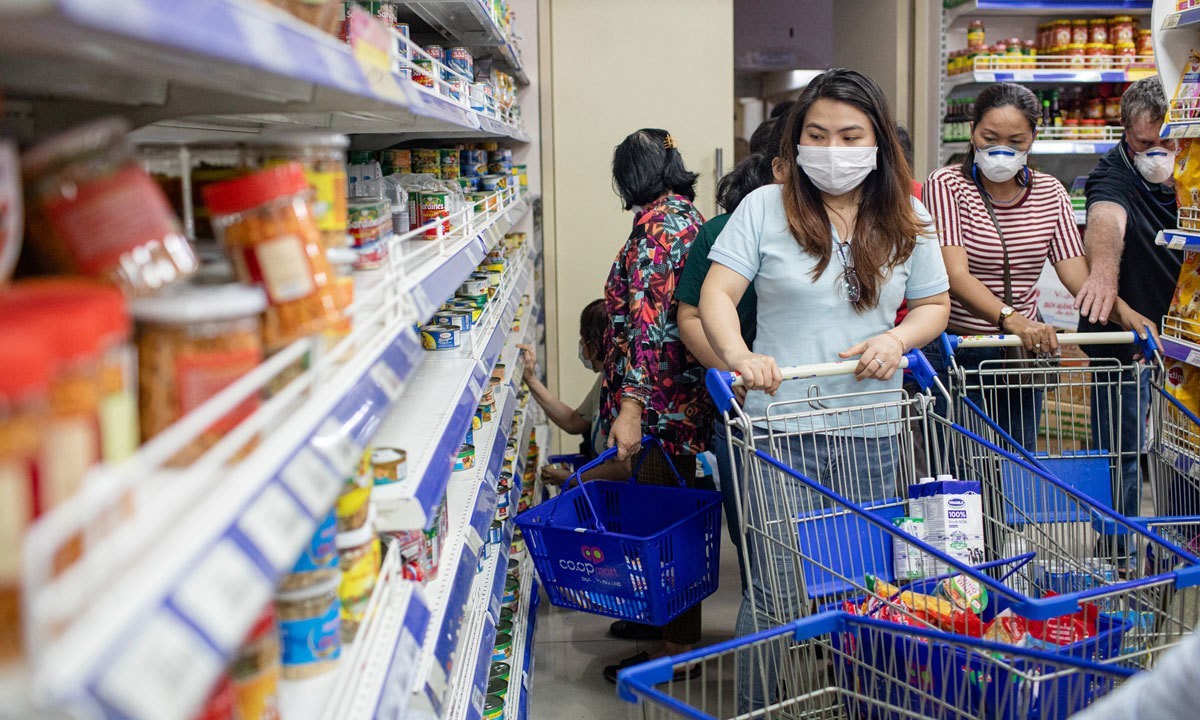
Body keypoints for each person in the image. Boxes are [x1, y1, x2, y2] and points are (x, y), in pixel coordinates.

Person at [699, 68, 951, 711]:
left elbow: (933, 305)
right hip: (779, 428)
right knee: (778, 590)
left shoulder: (908, 216)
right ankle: (757, 708)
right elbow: (718, 295)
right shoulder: (763, 208)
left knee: (861, 584)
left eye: (849, 135)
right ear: (796, 141)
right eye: (817, 135)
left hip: (870, 427)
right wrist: (739, 356)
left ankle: (856, 702)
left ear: (876, 143)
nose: (833, 150)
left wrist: (897, 341)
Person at [922, 82, 1154, 452]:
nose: (1002, 149)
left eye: (1016, 140)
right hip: (961, 347)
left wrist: (1128, 316)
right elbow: (955, 274)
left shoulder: (1050, 192)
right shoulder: (947, 185)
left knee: (1016, 464)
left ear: (1033, 137)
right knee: (963, 467)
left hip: (1021, 354)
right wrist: (1014, 320)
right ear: (971, 132)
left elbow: (1077, 275)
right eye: (989, 137)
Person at [600, 128, 711, 682]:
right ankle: (662, 625)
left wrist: (631, 407)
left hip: (663, 408)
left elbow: (649, 327)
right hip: (675, 400)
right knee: (661, 517)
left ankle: (676, 651)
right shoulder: (680, 216)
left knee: (668, 526)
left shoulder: (660, 229)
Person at [676, 124, 786, 597]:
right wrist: (729, 367)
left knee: (786, 543)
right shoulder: (723, 232)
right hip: (744, 407)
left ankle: (811, 634)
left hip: (815, 404)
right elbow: (692, 314)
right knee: (760, 536)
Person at [1074, 76, 1175, 518]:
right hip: (1126, 340)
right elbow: (1106, 218)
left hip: (1184, 335)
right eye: (1145, 143)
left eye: (1168, 143)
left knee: (1180, 454)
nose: (1159, 155)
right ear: (1125, 132)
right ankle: (1116, 554)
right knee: (1122, 455)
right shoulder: (1113, 171)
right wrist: (1101, 274)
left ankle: (1178, 542)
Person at [519, 300, 628, 484]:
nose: (580, 345)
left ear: (593, 347)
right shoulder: (606, 378)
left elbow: (624, 468)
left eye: (582, 339)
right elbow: (574, 421)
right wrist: (530, 379)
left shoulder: (625, 388)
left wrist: (572, 479)